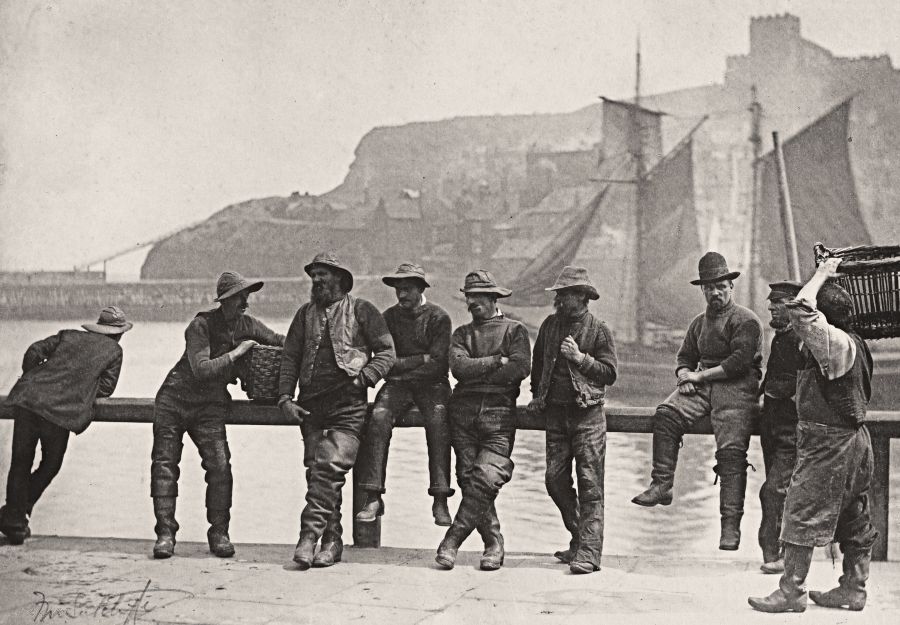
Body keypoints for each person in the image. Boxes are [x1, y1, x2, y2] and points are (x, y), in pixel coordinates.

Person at [749, 258, 877, 613]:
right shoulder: (856, 343)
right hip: (855, 444)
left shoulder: (833, 343)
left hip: (828, 445)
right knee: (854, 515)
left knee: (800, 511)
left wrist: (821, 275)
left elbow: (802, 311)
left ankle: (792, 591)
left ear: (828, 318)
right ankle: (854, 588)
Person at [632, 251, 763, 551]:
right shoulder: (698, 323)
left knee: (731, 453)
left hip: (737, 388)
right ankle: (662, 485)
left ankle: (730, 527)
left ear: (731, 287)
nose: (715, 292)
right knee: (665, 414)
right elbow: (685, 357)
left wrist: (699, 378)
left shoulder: (747, 320)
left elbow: (739, 362)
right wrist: (683, 375)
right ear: (702, 290)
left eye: (721, 286)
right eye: (709, 288)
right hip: (703, 385)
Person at [150, 272, 284, 559]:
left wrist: (311, 342)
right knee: (165, 465)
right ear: (224, 301)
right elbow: (201, 368)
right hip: (173, 400)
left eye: (246, 297)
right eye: (239, 298)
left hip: (209, 406)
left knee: (220, 467)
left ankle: (219, 532)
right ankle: (165, 533)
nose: (245, 304)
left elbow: (279, 340)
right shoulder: (200, 325)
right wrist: (238, 353)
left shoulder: (248, 325)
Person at [278, 252, 395, 570]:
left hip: (348, 407)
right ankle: (332, 542)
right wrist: (285, 399)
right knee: (317, 473)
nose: (316, 281)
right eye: (313, 275)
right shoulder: (304, 314)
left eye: (323, 275)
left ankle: (307, 537)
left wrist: (366, 377)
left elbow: (386, 352)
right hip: (311, 406)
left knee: (329, 468)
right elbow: (290, 358)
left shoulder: (363, 310)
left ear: (340, 279)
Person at [0, 306, 132, 545]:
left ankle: (14, 519)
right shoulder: (114, 351)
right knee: (51, 463)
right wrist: (78, 390)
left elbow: (33, 352)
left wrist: (37, 379)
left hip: (27, 400)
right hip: (59, 411)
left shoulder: (68, 335)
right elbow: (106, 388)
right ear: (118, 333)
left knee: (20, 462)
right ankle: (14, 516)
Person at [435, 270, 530, 571]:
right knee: (468, 478)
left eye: (478, 297)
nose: (471, 302)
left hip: (499, 415)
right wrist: (492, 362)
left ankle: (452, 540)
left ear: (493, 298)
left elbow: (519, 368)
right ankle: (494, 543)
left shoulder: (514, 331)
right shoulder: (461, 334)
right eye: (468, 297)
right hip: (462, 414)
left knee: (486, 477)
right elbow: (459, 369)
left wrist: (484, 373)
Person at [527, 266, 617, 574]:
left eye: (567, 294)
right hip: (556, 415)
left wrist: (581, 359)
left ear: (583, 297)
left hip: (588, 417)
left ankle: (589, 554)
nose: (561, 300)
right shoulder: (550, 326)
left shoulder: (598, 330)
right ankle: (580, 539)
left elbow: (610, 373)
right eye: (559, 294)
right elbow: (537, 365)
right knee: (554, 480)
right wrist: (537, 396)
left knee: (591, 485)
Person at [355, 263, 455, 527]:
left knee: (438, 421)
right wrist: (415, 360)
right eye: (398, 290)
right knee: (377, 418)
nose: (401, 295)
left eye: (407, 289)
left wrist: (402, 367)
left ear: (421, 289)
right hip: (398, 386)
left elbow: (438, 364)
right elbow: (385, 360)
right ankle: (374, 496)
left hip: (433, 385)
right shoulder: (388, 317)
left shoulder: (439, 318)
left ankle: (441, 497)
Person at [757, 280, 804, 574]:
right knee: (776, 490)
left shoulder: (801, 341)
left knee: (776, 491)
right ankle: (774, 553)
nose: (772, 307)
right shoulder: (780, 338)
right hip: (771, 428)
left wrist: (774, 392)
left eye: (779, 303)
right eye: (772, 303)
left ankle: (780, 554)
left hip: (791, 430)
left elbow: (801, 384)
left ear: (794, 309)